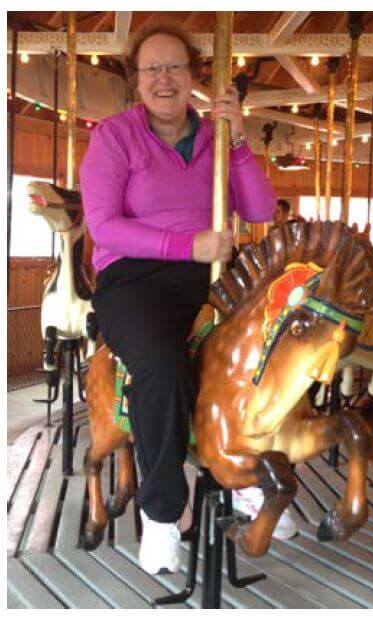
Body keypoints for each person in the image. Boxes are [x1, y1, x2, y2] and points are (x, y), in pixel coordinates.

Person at [80, 24, 296, 575]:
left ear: (195, 74)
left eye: (175, 67)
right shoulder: (115, 136)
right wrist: (188, 243)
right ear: (135, 80)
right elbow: (104, 227)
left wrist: (240, 138)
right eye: (151, 69)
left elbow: (260, 210)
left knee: (265, 356)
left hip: (205, 278)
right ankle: (160, 512)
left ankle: (241, 471)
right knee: (165, 368)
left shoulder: (216, 138)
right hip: (133, 281)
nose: (164, 79)